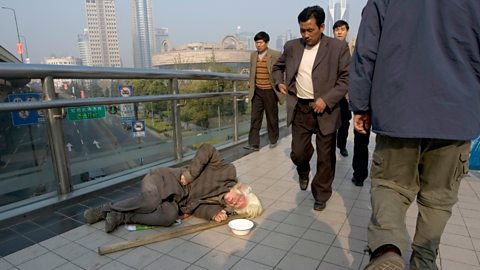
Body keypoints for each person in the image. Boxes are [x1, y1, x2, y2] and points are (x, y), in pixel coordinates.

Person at [349, 1, 480, 269]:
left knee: (390, 186)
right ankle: (424, 259)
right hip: (456, 113)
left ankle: (387, 250)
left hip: (399, 109)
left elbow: (365, 51)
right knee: (438, 199)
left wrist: (361, 105)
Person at [84, 144, 263, 233]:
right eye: (239, 199)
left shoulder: (219, 205)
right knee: (151, 200)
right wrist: (191, 174)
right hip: (162, 179)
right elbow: (207, 149)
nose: (234, 202)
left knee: (169, 216)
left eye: (237, 206)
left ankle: (121, 216)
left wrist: (212, 214)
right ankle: (103, 210)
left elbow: (199, 208)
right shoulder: (227, 171)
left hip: (174, 201)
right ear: (241, 189)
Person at [272, 5, 350, 211]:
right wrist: (279, 82)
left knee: (325, 157)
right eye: (302, 30)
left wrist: (326, 99)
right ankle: (303, 170)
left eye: (310, 30)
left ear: (322, 26)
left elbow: (345, 79)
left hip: (326, 110)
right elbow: (278, 67)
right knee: (298, 152)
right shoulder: (292, 46)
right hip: (301, 108)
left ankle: (321, 193)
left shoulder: (337, 48)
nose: (305, 35)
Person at [244, 31, 283, 151]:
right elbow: (252, 71)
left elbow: (281, 70)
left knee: (272, 117)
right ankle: (254, 144)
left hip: (270, 91)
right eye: (256, 43)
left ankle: (273, 139)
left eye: (260, 42)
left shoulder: (275, 54)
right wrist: (250, 83)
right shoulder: (253, 55)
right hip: (257, 91)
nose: (258, 45)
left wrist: (280, 84)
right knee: (255, 118)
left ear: (266, 42)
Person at [332, 20, 352, 158]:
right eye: (337, 29)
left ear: (347, 31)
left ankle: (342, 145)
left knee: (345, 122)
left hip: (346, 94)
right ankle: (330, 146)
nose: (339, 32)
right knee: (331, 123)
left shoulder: (352, 48)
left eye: (342, 29)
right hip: (331, 93)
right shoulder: (328, 47)